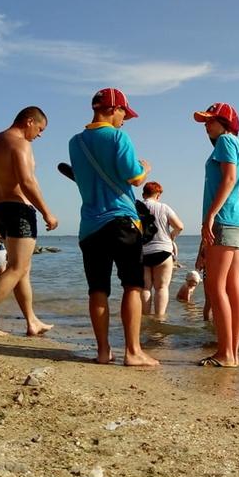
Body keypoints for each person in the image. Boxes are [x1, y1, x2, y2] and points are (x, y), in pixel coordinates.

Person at [68, 88, 159, 367]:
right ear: (112, 108)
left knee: (98, 289)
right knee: (132, 285)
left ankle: (103, 351)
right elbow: (133, 178)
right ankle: (133, 352)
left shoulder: (75, 142)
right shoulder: (118, 136)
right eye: (123, 113)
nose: (124, 119)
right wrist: (146, 168)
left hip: (90, 226)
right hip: (121, 221)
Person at [0, 106, 58, 337]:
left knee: (22, 269)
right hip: (18, 210)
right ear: (29, 121)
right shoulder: (20, 143)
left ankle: (32, 320)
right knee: (17, 268)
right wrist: (47, 212)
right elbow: (27, 181)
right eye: (40, 128)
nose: (40, 134)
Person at [193, 102, 239, 368]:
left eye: (210, 121)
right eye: (205, 121)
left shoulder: (225, 142)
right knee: (233, 286)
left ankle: (225, 353)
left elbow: (228, 179)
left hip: (225, 218)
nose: (206, 126)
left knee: (215, 286)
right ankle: (232, 353)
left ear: (225, 123)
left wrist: (210, 215)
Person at [140, 181, 184, 317]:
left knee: (145, 288)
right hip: (163, 250)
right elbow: (179, 226)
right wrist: (171, 236)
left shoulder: (136, 208)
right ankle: (159, 319)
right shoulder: (163, 207)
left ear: (143, 194)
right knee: (161, 287)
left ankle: (146, 319)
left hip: (143, 252)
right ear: (158, 195)